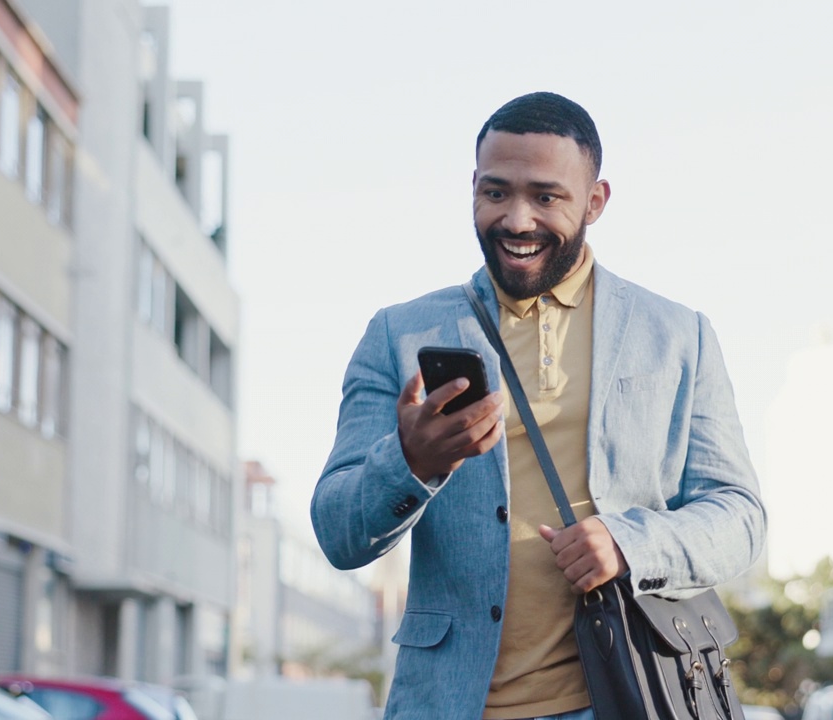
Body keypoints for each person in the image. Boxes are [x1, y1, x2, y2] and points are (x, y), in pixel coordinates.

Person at [311, 91, 765, 720]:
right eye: (495, 193)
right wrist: (409, 463)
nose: (517, 220)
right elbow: (337, 532)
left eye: (546, 197)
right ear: (472, 186)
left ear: (596, 201)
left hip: (621, 697)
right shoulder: (400, 335)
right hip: (451, 704)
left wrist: (629, 543)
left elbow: (740, 518)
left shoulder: (678, 335)